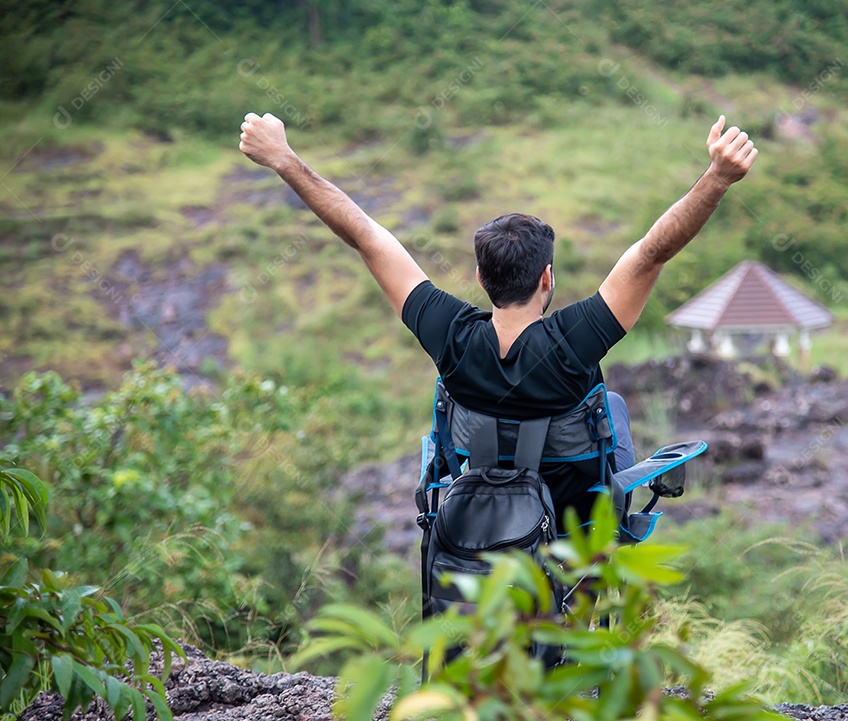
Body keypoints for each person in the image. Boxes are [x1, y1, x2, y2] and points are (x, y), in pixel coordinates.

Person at [239, 112, 757, 529]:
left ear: (482, 281)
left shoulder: (450, 335)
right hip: (573, 537)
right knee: (612, 403)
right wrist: (717, 177)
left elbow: (365, 234)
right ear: (547, 279)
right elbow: (652, 253)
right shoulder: (574, 344)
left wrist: (284, 159)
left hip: (478, 529)